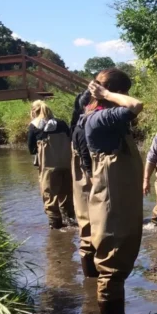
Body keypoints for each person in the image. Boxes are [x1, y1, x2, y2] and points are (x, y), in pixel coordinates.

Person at [84, 68, 144, 314]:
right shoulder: (100, 118)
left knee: (119, 257)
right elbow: (135, 106)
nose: (127, 96)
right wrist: (107, 93)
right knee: (111, 261)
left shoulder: (106, 118)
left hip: (121, 195)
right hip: (111, 196)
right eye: (124, 91)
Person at [27, 101, 74, 229]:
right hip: (66, 163)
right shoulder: (62, 123)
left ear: (33, 112)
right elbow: (71, 139)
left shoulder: (34, 126)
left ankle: (55, 225)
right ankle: (70, 219)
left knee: (49, 194)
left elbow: (31, 149)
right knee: (66, 193)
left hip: (49, 166)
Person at [70, 90, 96, 278]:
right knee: (88, 226)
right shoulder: (82, 126)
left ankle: (91, 278)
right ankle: (91, 278)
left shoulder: (78, 122)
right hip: (87, 177)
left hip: (84, 177)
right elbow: (86, 156)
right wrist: (93, 177)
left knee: (87, 224)